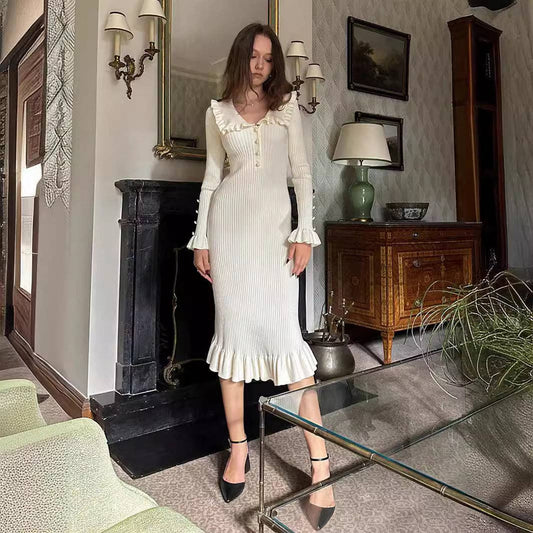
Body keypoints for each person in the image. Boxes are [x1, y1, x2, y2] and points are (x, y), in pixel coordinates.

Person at [187, 23, 335, 529]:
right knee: (231, 341)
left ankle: (321, 465)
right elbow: (212, 178)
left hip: (274, 241)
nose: (260, 65)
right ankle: (238, 447)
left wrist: (304, 232)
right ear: (240, 57)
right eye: (254, 55)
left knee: (289, 346)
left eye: (269, 59)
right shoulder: (217, 112)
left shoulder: (287, 107)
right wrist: (201, 239)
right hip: (228, 236)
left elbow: (302, 172)